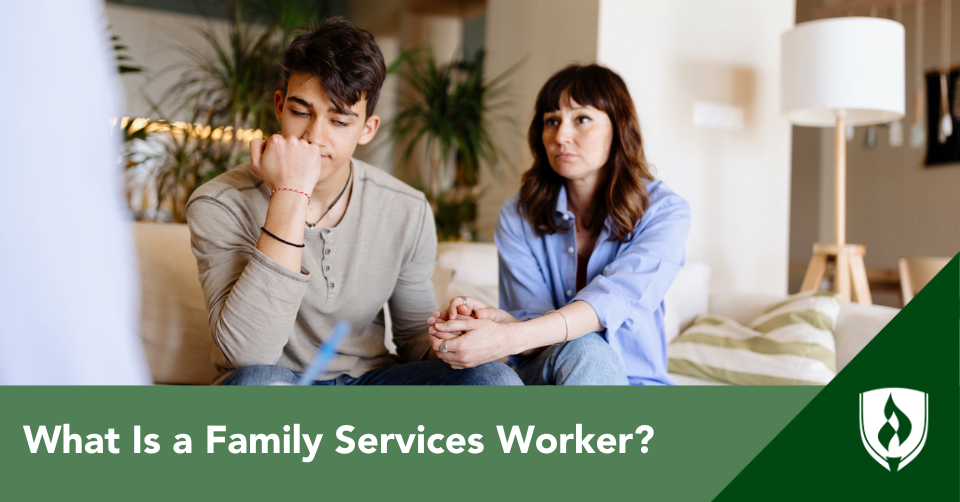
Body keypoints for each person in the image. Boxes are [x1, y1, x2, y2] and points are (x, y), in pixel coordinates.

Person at [186, 18, 520, 386]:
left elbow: (411, 338)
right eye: (301, 112)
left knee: (494, 379)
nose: (315, 137)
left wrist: (449, 337)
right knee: (259, 383)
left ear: (367, 129)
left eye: (339, 121)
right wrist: (290, 193)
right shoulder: (219, 203)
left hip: (370, 384)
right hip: (275, 384)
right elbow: (247, 356)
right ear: (279, 107)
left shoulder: (407, 208)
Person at [429, 64, 690, 385]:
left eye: (582, 119)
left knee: (589, 348)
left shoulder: (665, 211)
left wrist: (508, 337)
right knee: (582, 349)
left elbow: (614, 301)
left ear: (619, 128)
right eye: (551, 121)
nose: (561, 135)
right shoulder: (518, 214)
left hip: (635, 384)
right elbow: (533, 329)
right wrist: (501, 323)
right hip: (546, 375)